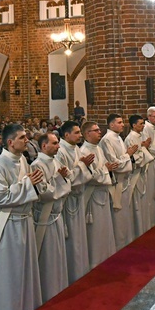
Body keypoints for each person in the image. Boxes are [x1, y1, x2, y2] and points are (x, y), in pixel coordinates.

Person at [0, 124, 45, 310]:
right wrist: (28, 184)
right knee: (10, 271)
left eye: (26, 136)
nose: (26, 140)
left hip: (24, 220)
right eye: (22, 137)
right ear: (10, 142)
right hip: (9, 224)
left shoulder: (22, 160)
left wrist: (36, 183)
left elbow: (30, 185)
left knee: (25, 267)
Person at [31, 132, 71, 303]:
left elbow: (68, 184)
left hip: (57, 215)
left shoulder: (56, 161)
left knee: (58, 254)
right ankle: (48, 291)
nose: (58, 146)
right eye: (54, 143)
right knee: (48, 257)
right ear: (43, 146)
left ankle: (59, 288)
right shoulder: (36, 165)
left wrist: (62, 180)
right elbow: (45, 193)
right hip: (45, 217)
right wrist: (60, 179)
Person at [54, 120, 95, 283]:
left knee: (79, 236)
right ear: (66, 135)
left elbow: (79, 172)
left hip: (78, 196)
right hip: (68, 199)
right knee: (71, 238)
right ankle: (72, 273)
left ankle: (80, 269)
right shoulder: (61, 151)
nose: (80, 136)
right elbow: (65, 177)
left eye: (79, 132)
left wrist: (83, 166)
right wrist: (82, 166)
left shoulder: (75, 148)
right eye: (77, 133)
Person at [99, 114, 139, 250]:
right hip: (117, 183)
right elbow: (115, 163)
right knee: (118, 217)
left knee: (124, 216)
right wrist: (128, 155)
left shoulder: (117, 137)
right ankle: (119, 246)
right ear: (111, 125)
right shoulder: (107, 140)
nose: (123, 124)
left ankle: (126, 243)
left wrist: (128, 155)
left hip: (124, 182)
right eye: (120, 122)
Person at [80, 121, 117, 268]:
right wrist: (106, 170)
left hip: (102, 192)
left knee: (105, 228)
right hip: (93, 195)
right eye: (95, 130)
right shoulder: (84, 152)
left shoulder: (98, 148)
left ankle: (106, 257)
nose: (99, 132)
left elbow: (104, 168)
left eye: (99, 129)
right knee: (95, 231)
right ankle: (95, 261)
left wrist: (108, 169)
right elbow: (88, 176)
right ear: (87, 134)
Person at [124, 115, 154, 236]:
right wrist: (144, 148)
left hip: (141, 173)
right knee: (137, 203)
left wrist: (143, 148)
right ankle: (138, 229)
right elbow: (135, 158)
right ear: (134, 125)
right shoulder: (131, 138)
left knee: (143, 202)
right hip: (135, 175)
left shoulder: (140, 136)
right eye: (141, 124)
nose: (143, 125)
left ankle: (144, 227)